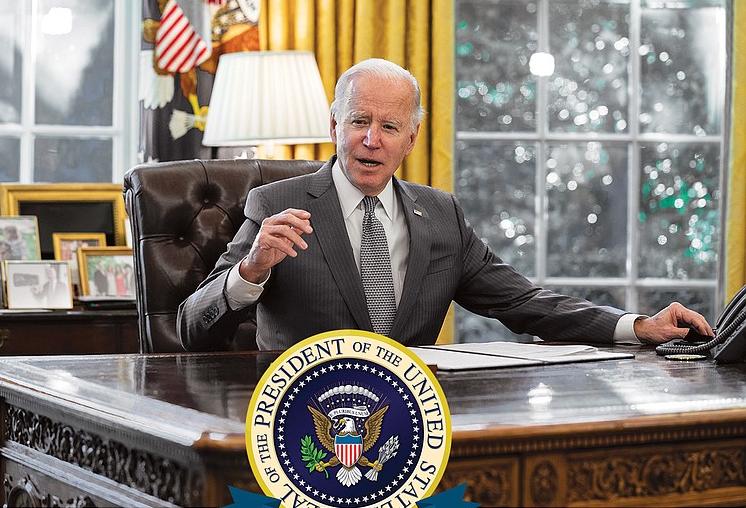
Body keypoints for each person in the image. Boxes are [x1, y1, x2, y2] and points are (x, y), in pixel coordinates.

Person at [177, 58, 714, 352]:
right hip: (304, 418)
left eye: (389, 127)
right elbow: (191, 328)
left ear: (411, 139)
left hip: (414, 422)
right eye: (360, 122)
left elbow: (526, 303)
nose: (372, 140)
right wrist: (251, 271)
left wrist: (636, 325)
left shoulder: (441, 216)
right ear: (335, 126)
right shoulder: (276, 204)